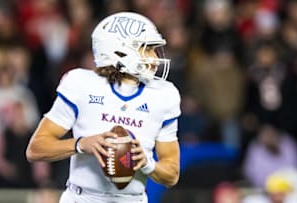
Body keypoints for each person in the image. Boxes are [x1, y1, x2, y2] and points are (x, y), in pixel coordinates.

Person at [26, 12, 181, 203]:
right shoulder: (81, 84)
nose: (155, 58)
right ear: (120, 50)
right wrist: (81, 144)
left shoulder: (164, 95)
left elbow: (172, 174)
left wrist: (147, 163)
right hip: (81, 198)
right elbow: (35, 149)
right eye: (147, 49)